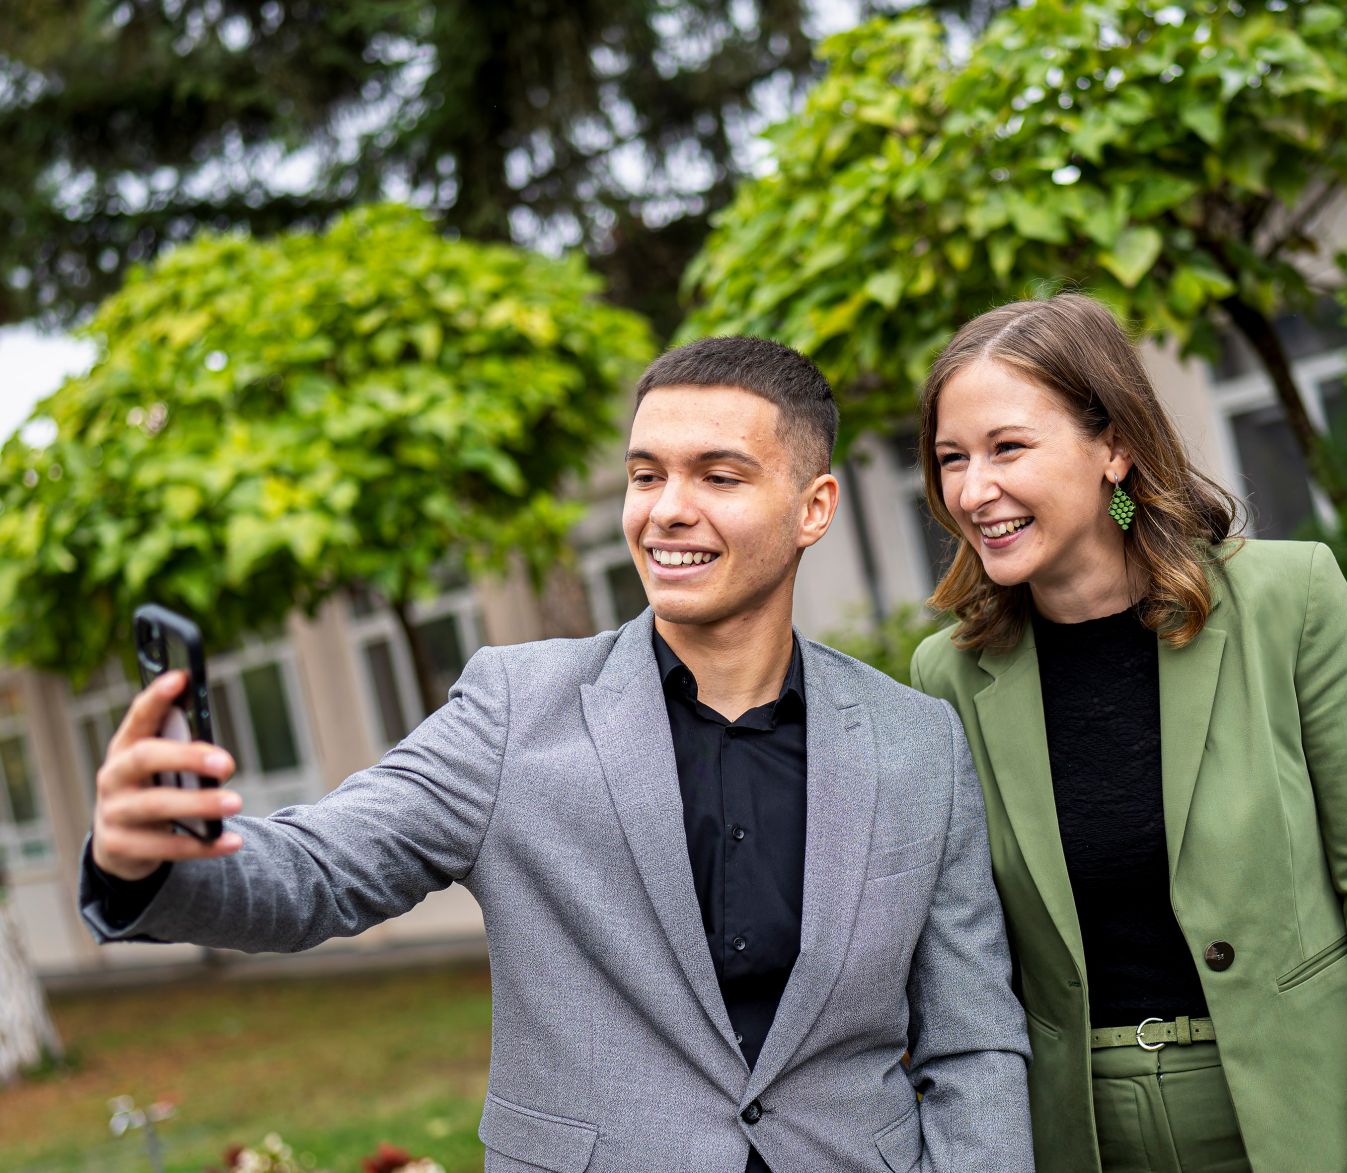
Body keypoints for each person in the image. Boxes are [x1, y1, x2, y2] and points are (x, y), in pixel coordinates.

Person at [82, 337, 1034, 1173]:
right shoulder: (514, 708)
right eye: (646, 475)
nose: (666, 510)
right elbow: (319, 871)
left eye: (718, 476)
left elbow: (973, 1042)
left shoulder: (917, 741)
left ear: (813, 507)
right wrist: (151, 859)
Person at [909, 293, 1347, 1172]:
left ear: (1114, 447)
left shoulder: (1289, 602)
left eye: (1008, 447)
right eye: (952, 458)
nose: (973, 490)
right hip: (1080, 1144)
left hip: (1307, 1124)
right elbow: (969, 976)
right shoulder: (946, 677)